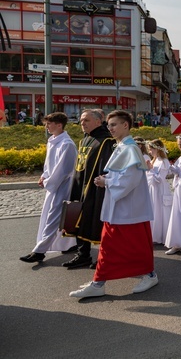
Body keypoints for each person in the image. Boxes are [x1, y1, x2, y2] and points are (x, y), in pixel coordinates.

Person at [69, 110, 157, 298]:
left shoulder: (129, 148)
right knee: (120, 247)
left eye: (114, 124)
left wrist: (106, 182)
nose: (110, 128)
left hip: (127, 209)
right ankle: (101, 281)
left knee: (123, 246)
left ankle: (101, 283)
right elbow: (122, 175)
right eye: (109, 125)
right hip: (122, 208)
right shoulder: (122, 146)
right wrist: (108, 178)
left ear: (126, 125)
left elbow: (130, 180)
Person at [20, 112, 77, 263]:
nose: (46, 127)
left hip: (62, 186)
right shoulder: (53, 140)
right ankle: (69, 244)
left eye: (49, 124)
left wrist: (48, 182)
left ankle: (39, 251)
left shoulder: (67, 144)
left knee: (53, 217)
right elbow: (49, 164)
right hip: (53, 184)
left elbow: (63, 170)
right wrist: (44, 176)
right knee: (51, 216)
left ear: (59, 125)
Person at [62, 109, 115, 270]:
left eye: (86, 120)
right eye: (81, 120)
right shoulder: (85, 139)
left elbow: (107, 168)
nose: (82, 123)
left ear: (99, 122)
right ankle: (82, 254)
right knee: (78, 220)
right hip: (80, 186)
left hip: (96, 189)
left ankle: (104, 257)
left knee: (96, 221)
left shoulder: (106, 141)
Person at [146, 139, 172, 244]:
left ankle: (162, 234)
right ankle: (154, 234)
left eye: (151, 149)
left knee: (160, 210)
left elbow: (160, 178)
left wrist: (150, 169)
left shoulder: (164, 162)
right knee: (154, 210)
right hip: (153, 189)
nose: (150, 152)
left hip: (160, 189)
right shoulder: (155, 160)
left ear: (157, 149)